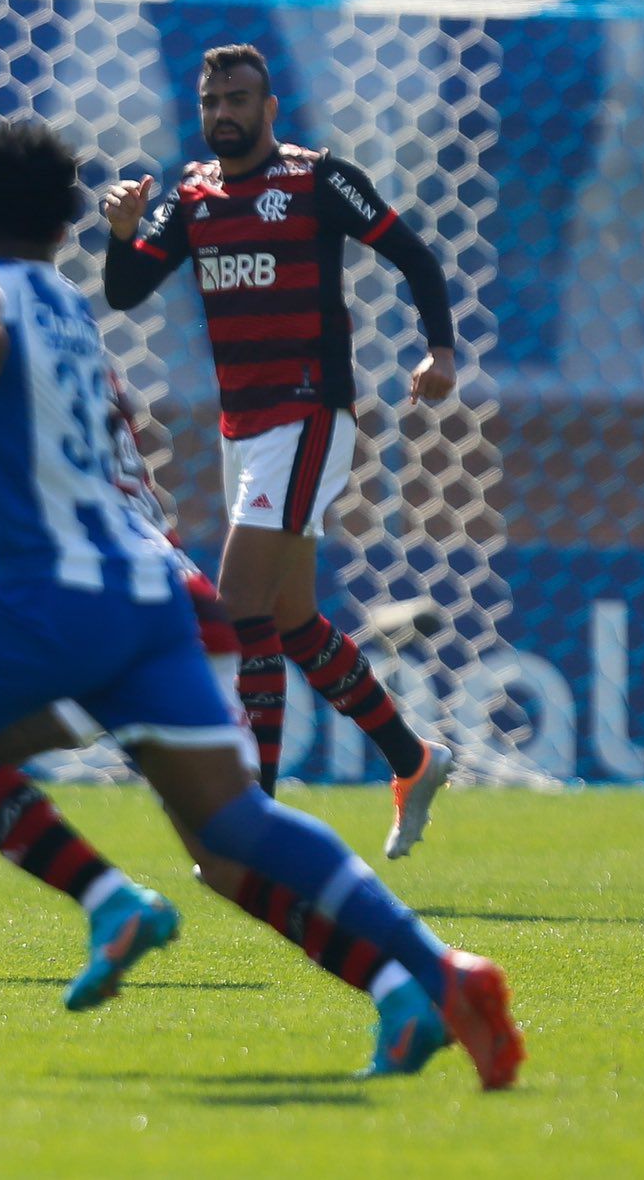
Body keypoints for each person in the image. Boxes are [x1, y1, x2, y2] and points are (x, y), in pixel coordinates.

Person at [0, 122, 523, 1094]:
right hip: (148, 598)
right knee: (232, 826)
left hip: (51, 601)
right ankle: (439, 971)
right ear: (67, 222)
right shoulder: (67, 307)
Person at [100, 43, 458, 858]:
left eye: (239, 99)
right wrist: (122, 234)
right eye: (212, 101)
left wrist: (440, 349)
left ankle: (251, 820)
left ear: (269, 109)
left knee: (239, 606)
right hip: (243, 428)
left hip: (309, 413)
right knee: (292, 621)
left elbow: (413, 255)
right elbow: (127, 290)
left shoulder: (315, 179)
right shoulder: (191, 195)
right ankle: (414, 760)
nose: (223, 113)